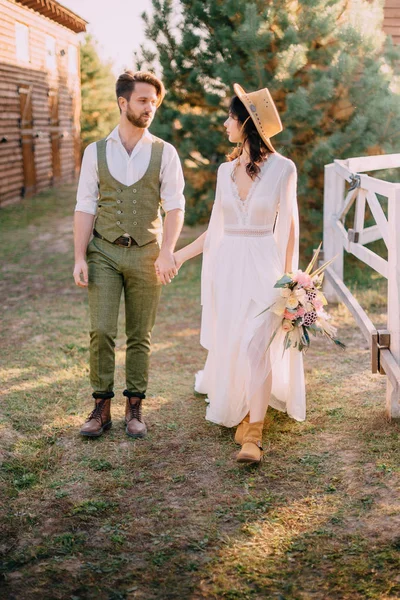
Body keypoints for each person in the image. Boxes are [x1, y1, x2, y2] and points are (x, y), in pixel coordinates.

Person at [174, 83, 306, 464]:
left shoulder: (284, 168)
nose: (225, 124)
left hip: (265, 269)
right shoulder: (223, 171)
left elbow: (292, 226)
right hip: (228, 269)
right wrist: (181, 255)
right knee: (236, 341)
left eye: (230, 117)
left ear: (247, 123)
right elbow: (215, 229)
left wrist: (289, 284)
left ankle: (255, 433)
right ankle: (245, 405)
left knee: (256, 345)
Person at [73, 71, 185, 439]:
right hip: (103, 251)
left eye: (154, 101)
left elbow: (175, 207)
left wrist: (167, 251)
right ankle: (101, 408)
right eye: (142, 100)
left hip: (147, 254)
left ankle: (135, 407)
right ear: (123, 103)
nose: (150, 107)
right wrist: (79, 257)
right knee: (101, 330)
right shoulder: (96, 151)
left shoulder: (165, 152)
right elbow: (85, 205)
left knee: (141, 334)